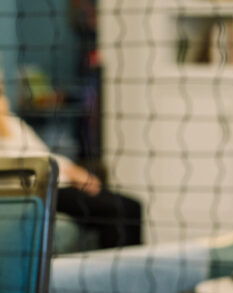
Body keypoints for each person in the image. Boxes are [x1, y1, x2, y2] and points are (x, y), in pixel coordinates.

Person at [0, 92, 142, 249]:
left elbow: (46, 155)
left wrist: (76, 172)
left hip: (61, 182)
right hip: (42, 191)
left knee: (132, 206)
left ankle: (130, 270)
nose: (3, 101)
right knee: (116, 210)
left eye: (2, 95)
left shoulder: (14, 124)